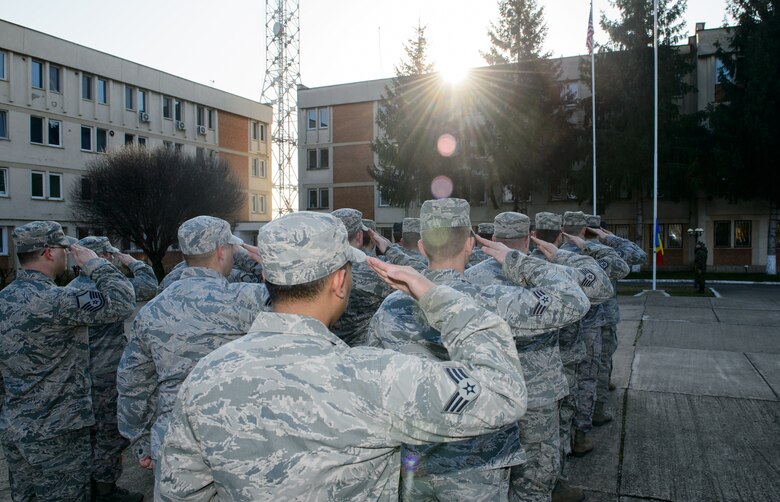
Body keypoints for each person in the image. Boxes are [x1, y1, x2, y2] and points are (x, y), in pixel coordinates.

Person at [157, 211, 529, 501]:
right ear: (339, 281)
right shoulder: (372, 377)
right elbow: (502, 393)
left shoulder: (205, 377)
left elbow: (180, 491)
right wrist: (436, 297)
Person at [369, 200, 591, 502]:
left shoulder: (389, 309)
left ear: (421, 247)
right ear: (470, 245)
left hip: (415, 459)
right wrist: (516, 259)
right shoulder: (493, 301)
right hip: (478, 466)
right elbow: (573, 299)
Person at [467, 211, 613, 502]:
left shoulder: (471, 277)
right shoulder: (548, 273)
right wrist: (562, 255)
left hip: (491, 390)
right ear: (528, 238)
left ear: (495, 239)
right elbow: (602, 286)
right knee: (537, 474)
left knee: (493, 470)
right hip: (539, 393)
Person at [117, 216, 270, 483]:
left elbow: (133, 383)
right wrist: (266, 263)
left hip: (175, 439)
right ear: (223, 251)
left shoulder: (152, 310)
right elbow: (299, 299)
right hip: (240, 437)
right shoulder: (248, 300)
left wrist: (141, 440)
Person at [0, 221, 136, 501]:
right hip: (59, 431)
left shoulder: (3, 299)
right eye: (64, 249)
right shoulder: (58, 301)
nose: (68, 254)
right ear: (49, 253)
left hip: (15, 428)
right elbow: (123, 302)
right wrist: (95, 264)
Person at [67, 236, 158, 502]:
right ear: (104, 258)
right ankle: (105, 490)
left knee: (88, 436)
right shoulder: (111, 289)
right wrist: (134, 263)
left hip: (79, 376)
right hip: (107, 376)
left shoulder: (71, 289)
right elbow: (148, 287)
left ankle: (90, 486)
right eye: (112, 256)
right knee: (109, 435)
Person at [559, 211, 629, 457]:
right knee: (588, 380)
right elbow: (629, 261)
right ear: (585, 231)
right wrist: (602, 241)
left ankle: (564, 436)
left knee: (565, 383)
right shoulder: (594, 256)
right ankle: (580, 436)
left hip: (562, 331)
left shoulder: (548, 255)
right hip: (589, 328)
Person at [582, 216, 646, 429]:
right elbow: (639, 255)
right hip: (605, 317)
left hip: (580, 319)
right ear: (600, 230)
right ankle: (597, 410)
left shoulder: (570, 251)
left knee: (586, 366)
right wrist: (612, 239)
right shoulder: (610, 254)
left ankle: (589, 405)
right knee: (601, 361)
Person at [330, 208, 426, 346]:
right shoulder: (374, 269)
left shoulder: (321, 270)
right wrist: (389, 249)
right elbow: (422, 276)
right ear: (359, 236)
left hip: (328, 353)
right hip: (366, 355)